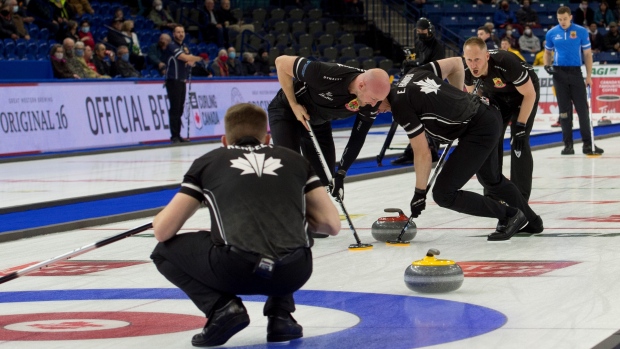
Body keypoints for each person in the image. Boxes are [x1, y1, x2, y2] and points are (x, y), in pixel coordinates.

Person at [150, 103, 340, 347]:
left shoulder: (209, 162)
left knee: (164, 252)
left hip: (236, 271)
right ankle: (281, 316)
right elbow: (331, 225)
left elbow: (163, 231)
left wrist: (160, 217)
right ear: (268, 137)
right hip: (293, 272)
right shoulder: (295, 160)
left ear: (224, 141)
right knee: (296, 224)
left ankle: (222, 308)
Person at [377, 57, 543, 241]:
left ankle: (510, 215)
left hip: (479, 128)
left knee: (443, 193)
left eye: (374, 103)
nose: (375, 110)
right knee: (492, 179)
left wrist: (419, 193)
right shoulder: (412, 74)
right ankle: (533, 221)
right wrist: (458, 100)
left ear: (381, 91)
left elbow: (422, 153)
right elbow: (456, 63)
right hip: (486, 116)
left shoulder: (400, 106)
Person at [268, 55, 391, 200]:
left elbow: (358, 137)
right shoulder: (326, 73)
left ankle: (315, 216)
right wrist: (294, 105)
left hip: (317, 121)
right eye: (374, 99)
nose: (374, 105)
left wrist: (341, 173)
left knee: (325, 179)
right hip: (287, 111)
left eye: (379, 101)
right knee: (289, 167)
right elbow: (281, 62)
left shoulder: (371, 97)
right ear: (361, 85)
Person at [463, 37, 539, 202]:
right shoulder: (467, 73)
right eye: (469, 60)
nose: (473, 65)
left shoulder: (506, 62)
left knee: (518, 141)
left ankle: (520, 197)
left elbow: (529, 94)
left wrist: (520, 125)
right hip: (496, 97)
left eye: (477, 59)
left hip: (523, 95)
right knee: (490, 138)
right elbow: (477, 100)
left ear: (487, 56)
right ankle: (493, 192)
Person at [544, 6, 604, 155]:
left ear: (570, 17)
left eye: (565, 19)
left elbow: (588, 54)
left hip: (576, 72)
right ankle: (568, 146)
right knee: (564, 112)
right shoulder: (552, 33)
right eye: (559, 19)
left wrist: (589, 76)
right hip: (559, 74)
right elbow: (547, 52)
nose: (562, 22)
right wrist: (546, 65)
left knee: (583, 111)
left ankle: (588, 145)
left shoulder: (581, 31)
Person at [392, 17, 443, 166]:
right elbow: (415, 59)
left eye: (422, 30)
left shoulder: (437, 46)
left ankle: (431, 150)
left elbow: (436, 68)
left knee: (429, 119)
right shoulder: (418, 43)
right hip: (416, 81)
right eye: (418, 30)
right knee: (416, 119)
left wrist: (418, 65)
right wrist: (411, 63)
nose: (420, 33)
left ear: (429, 30)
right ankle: (412, 151)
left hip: (430, 84)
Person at [165, 25, 203, 143]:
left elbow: (190, 61)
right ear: (173, 34)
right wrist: (197, 58)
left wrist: (192, 60)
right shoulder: (172, 46)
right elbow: (183, 57)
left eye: (182, 31)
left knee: (180, 108)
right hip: (173, 80)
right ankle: (174, 136)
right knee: (175, 108)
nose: (181, 34)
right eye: (178, 32)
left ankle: (178, 134)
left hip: (182, 80)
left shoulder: (185, 46)